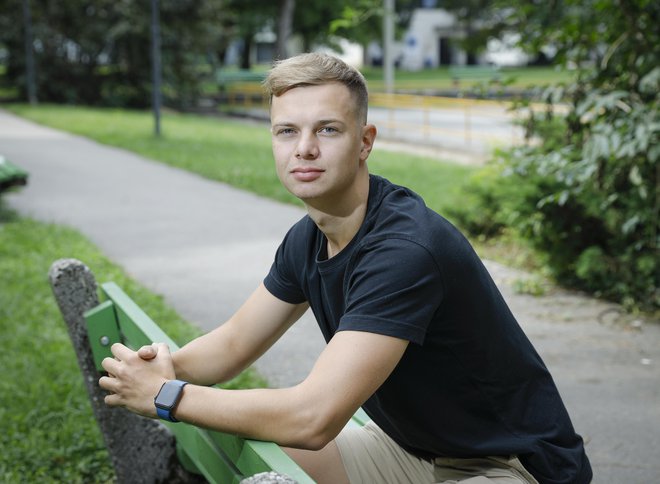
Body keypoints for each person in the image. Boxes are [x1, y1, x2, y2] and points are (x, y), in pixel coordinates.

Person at [99, 52, 592, 484]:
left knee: (288, 434)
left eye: (327, 129)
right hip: (407, 450)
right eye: (287, 131)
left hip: (506, 466)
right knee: (262, 459)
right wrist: (164, 368)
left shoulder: (404, 249)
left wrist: (167, 396)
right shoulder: (309, 235)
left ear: (365, 140)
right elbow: (232, 345)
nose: (304, 148)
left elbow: (313, 417)